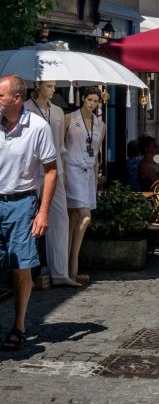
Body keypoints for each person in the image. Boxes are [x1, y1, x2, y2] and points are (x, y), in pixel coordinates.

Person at [0, 75, 58, 350]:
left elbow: (51, 170)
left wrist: (43, 211)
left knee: (21, 266)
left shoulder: (37, 127)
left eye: (0, 96)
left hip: (22, 203)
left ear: (17, 98)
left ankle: (19, 325)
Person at [24, 81, 79, 288]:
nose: (53, 90)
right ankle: (26, 272)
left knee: (60, 217)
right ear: (38, 85)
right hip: (31, 170)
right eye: (49, 86)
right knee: (29, 217)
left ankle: (60, 271)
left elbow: (60, 146)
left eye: (54, 86)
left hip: (54, 170)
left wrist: (62, 172)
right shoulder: (26, 109)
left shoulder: (56, 111)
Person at [64, 86, 105, 286]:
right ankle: (73, 264)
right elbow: (60, 147)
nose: (92, 104)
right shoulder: (69, 119)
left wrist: (96, 180)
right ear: (83, 99)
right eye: (89, 100)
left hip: (88, 173)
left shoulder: (100, 125)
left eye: (95, 101)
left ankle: (67, 269)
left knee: (73, 218)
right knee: (85, 216)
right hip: (71, 170)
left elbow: (96, 154)